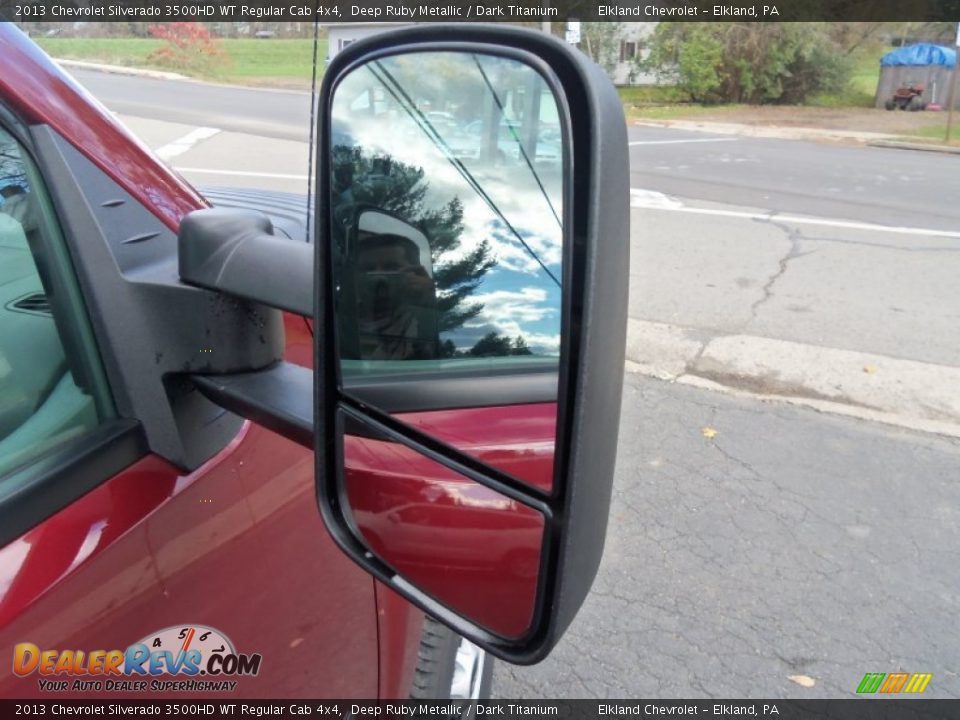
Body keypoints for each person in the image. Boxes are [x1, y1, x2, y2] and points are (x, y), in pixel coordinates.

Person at [354, 232, 439, 361]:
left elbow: (437, 360)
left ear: (414, 273)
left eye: (391, 267)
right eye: (368, 269)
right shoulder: (333, 322)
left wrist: (428, 304)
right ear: (355, 277)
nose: (378, 277)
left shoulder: (422, 324)